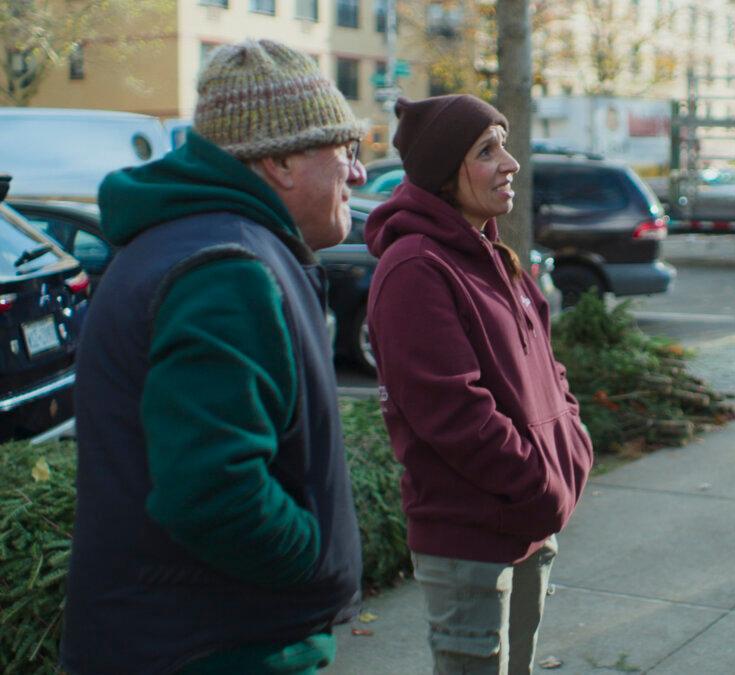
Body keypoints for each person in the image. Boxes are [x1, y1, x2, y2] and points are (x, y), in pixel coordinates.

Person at [62, 39, 366, 674]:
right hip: (220, 650)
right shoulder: (227, 271)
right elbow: (214, 491)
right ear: (281, 159)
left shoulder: (197, 244)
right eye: (346, 150)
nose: (358, 174)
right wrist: (312, 563)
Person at [364, 94, 594, 674]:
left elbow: (548, 365)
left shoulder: (492, 253)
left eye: (504, 145)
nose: (511, 163)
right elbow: (451, 411)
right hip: (471, 541)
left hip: (528, 525)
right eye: (487, 151)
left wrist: (572, 447)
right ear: (446, 173)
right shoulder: (416, 266)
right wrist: (539, 481)